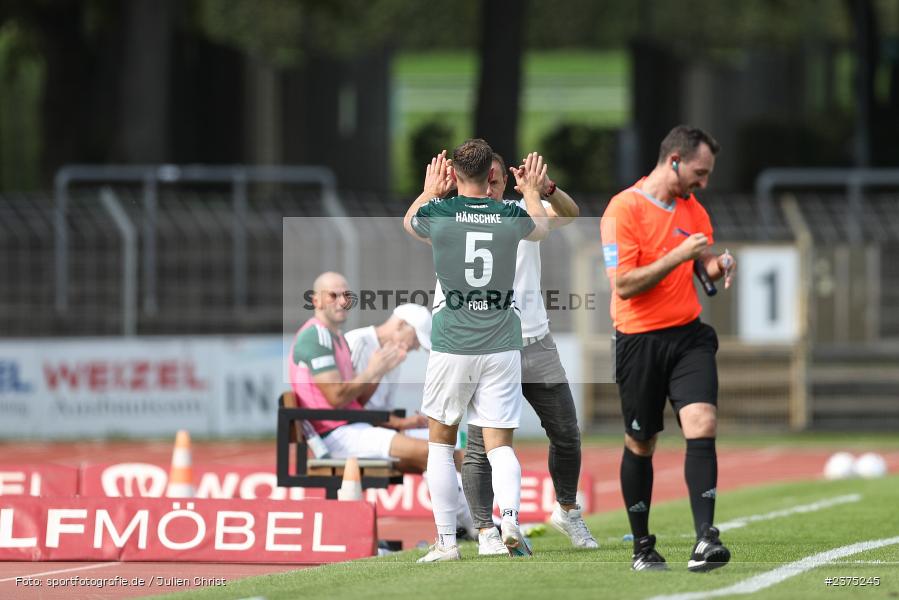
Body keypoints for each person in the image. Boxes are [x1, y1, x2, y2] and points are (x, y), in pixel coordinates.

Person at [440, 152, 597, 555]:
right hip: (489, 343)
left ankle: (567, 510)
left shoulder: (521, 210)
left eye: (495, 181)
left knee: (566, 431)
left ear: (505, 182)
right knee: (480, 446)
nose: (489, 188)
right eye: (485, 180)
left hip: (534, 340)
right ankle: (485, 529)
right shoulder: (458, 216)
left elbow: (570, 214)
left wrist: (546, 190)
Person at [403, 140, 550, 562]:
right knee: (500, 444)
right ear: (492, 175)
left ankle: (447, 542)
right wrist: (532, 192)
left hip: (453, 342)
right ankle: (511, 522)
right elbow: (541, 228)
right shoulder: (510, 215)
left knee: (440, 443)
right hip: (501, 342)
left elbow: (409, 222)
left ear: (452, 173)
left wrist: (429, 191)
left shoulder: (439, 213)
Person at [600, 125, 736, 572]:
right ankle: (642, 547)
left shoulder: (692, 208)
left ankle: (705, 540)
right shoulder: (624, 209)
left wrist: (718, 265)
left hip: (688, 336)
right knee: (641, 441)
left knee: (703, 422)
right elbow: (624, 284)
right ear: (674, 160)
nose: (704, 182)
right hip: (639, 340)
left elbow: (701, 264)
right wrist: (678, 255)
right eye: (700, 172)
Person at [288, 272, 475, 536]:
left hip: (348, 428)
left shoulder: (335, 337)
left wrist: (378, 376)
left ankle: (471, 526)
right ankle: (480, 525)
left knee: (442, 450)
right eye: (333, 295)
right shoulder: (316, 337)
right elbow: (337, 397)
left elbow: (354, 402)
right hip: (336, 434)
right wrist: (374, 371)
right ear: (316, 300)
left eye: (346, 295)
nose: (342, 301)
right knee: (437, 454)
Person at [345, 303, 433, 436]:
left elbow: (384, 410)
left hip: (373, 429)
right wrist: (402, 423)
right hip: (355, 430)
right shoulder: (359, 342)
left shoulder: (394, 356)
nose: (416, 348)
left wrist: (410, 423)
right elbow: (352, 407)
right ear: (401, 324)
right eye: (416, 338)